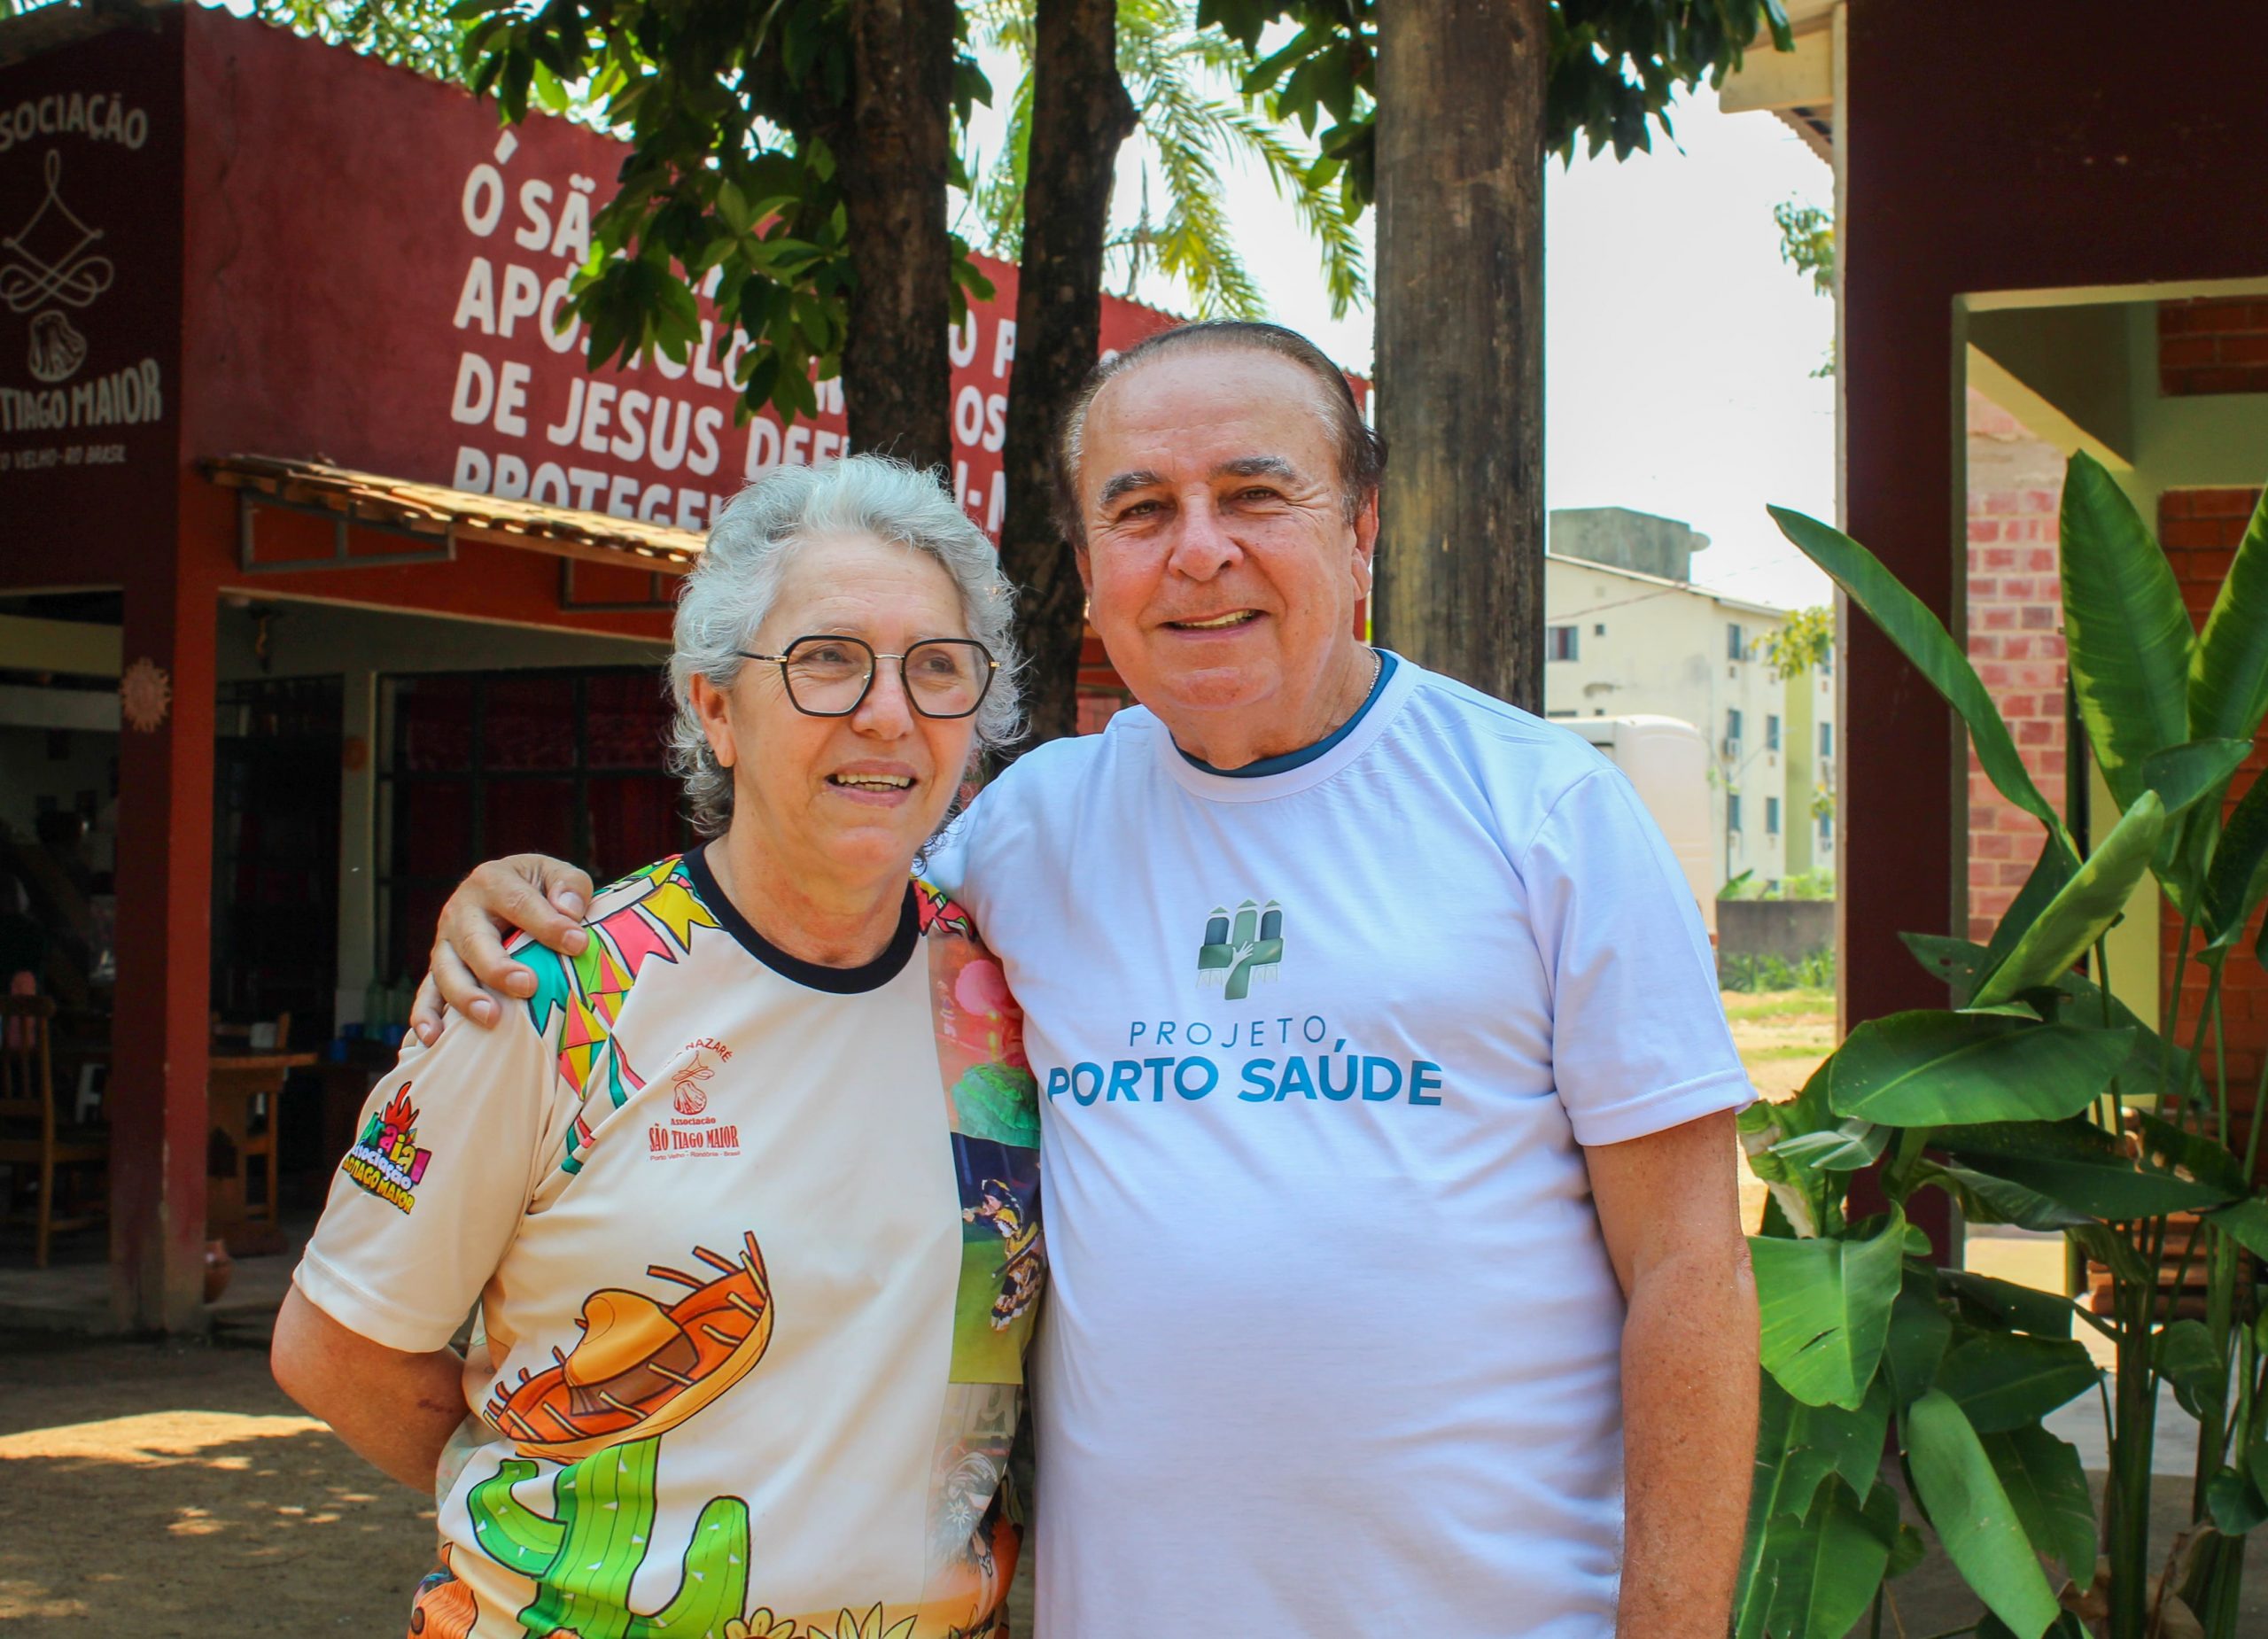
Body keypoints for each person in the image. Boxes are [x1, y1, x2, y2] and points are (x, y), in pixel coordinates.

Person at [417, 320, 1761, 1638]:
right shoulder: (1025, 834)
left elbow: (1691, 1270)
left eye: (1255, 494)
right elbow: (796, 903)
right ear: (1089, 566)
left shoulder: (1546, 816)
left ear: (1360, 528)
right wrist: (530, 903)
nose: (1199, 549)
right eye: (1141, 509)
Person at [273, 457, 1045, 1639]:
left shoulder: (1013, 998)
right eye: (827, 658)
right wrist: (557, 1525)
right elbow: (337, 1348)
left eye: (936, 666)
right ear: (715, 709)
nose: (888, 712)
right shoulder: (554, 993)